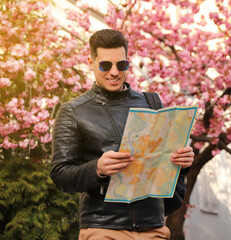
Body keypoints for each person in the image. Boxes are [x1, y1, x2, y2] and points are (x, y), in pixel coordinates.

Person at [50, 29, 194, 240]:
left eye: (122, 65)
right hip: (103, 228)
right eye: (105, 65)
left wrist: (182, 163)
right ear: (91, 63)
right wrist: (97, 168)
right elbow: (60, 174)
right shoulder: (73, 111)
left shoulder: (152, 103)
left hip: (152, 227)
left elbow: (162, 167)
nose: (115, 72)